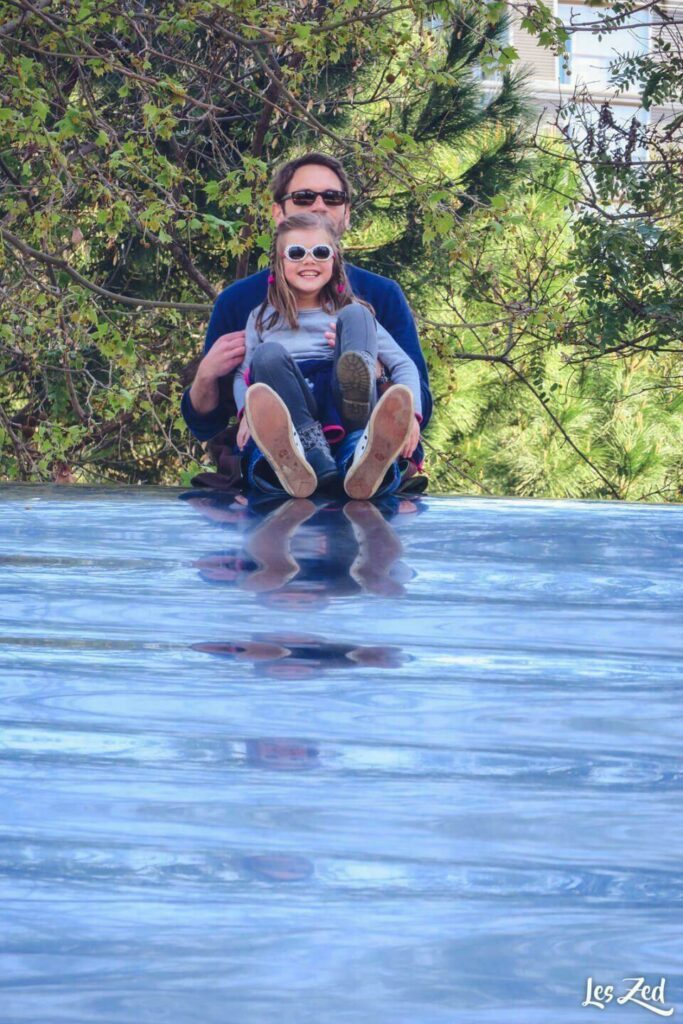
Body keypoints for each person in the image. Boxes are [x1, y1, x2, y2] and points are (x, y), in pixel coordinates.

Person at [181, 152, 432, 491]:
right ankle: (297, 463)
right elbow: (204, 425)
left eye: (332, 197)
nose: (318, 206)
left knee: (365, 441)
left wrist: (378, 376)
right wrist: (207, 376)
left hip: (362, 429)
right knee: (267, 363)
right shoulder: (242, 303)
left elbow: (420, 402)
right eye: (303, 197)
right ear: (277, 212)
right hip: (281, 448)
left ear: (346, 214)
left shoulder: (377, 297)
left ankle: (361, 454)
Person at [234, 211, 423, 499]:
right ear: (279, 262)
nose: (309, 260)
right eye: (296, 253)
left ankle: (363, 454)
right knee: (266, 356)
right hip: (294, 408)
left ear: (334, 260)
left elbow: (404, 365)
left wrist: (410, 417)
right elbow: (241, 375)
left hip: (344, 400)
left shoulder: (354, 311)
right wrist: (248, 413)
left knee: (357, 315)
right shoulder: (261, 318)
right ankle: (306, 458)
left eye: (320, 252)